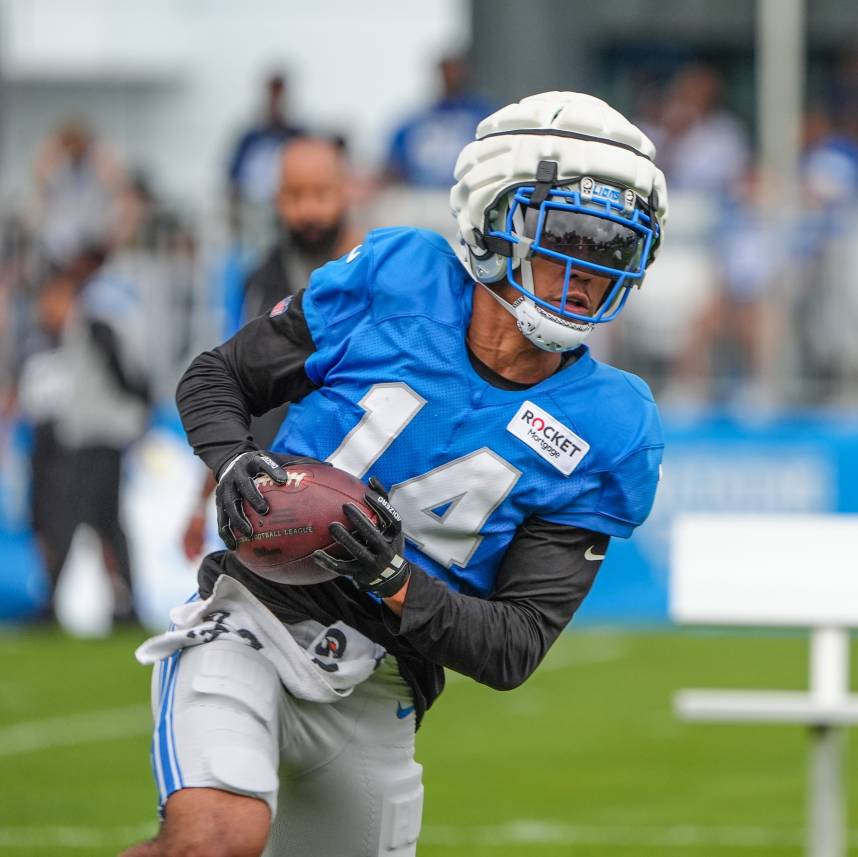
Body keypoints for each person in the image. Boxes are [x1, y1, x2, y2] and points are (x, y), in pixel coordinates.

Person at [121, 91, 668, 857]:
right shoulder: (398, 278)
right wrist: (234, 459)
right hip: (254, 611)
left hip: (384, 683)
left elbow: (514, 646)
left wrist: (393, 576)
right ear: (493, 214)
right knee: (214, 837)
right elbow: (217, 379)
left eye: (615, 246)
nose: (587, 269)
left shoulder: (612, 423)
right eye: (570, 233)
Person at [182, 135, 360, 560]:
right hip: (275, 493)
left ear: (346, 190)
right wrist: (197, 502)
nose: (309, 210)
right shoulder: (261, 278)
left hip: (358, 489)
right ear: (278, 199)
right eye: (296, 195)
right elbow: (230, 384)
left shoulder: (377, 275)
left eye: (321, 193)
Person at [383, 53, 495, 188]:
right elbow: (393, 165)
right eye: (446, 71)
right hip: (425, 198)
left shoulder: (483, 115)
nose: (451, 76)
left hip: (471, 191)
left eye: (455, 71)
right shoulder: (416, 122)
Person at [226, 71, 307, 241]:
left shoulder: (297, 135)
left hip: (287, 207)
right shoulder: (251, 137)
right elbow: (233, 175)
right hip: (255, 207)